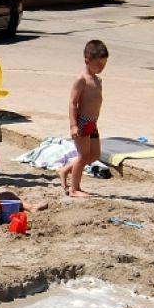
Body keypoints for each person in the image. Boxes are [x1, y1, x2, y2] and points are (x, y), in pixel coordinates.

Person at [57, 39, 109, 198]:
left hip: (92, 123)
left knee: (94, 155)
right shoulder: (82, 79)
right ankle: (74, 189)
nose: (102, 68)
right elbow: (72, 102)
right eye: (99, 64)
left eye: (104, 64)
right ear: (87, 60)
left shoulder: (98, 80)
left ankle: (65, 170)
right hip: (82, 122)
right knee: (83, 156)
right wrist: (73, 125)